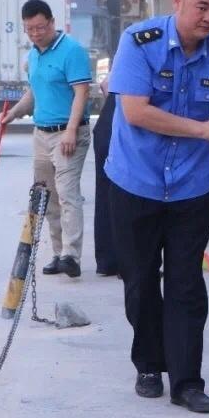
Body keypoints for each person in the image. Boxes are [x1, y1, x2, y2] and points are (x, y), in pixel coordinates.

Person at [105, 0, 209, 414]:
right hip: (135, 183)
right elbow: (134, 111)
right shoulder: (139, 43)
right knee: (141, 280)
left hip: (190, 190)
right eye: (200, 7)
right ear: (178, 0)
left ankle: (188, 380)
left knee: (188, 287)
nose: (208, 18)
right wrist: (201, 129)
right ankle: (150, 364)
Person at [0, 0, 92, 279]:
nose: (36, 33)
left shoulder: (72, 51)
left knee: (67, 195)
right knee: (46, 196)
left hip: (68, 132)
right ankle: (57, 253)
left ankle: (71, 255)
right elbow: (34, 93)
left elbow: (82, 93)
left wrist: (72, 131)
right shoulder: (34, 55)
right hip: (41, 133)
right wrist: (13, 113)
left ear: (52, 22)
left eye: (40, 27)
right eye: (30, 29)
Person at [92, 77, 118, 276]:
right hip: (120, 131)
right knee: (125, 197)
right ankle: (125, 263)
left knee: (104, 195)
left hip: (105, 127)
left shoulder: (128, 53)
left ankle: (107, 261)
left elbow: (105, 84)